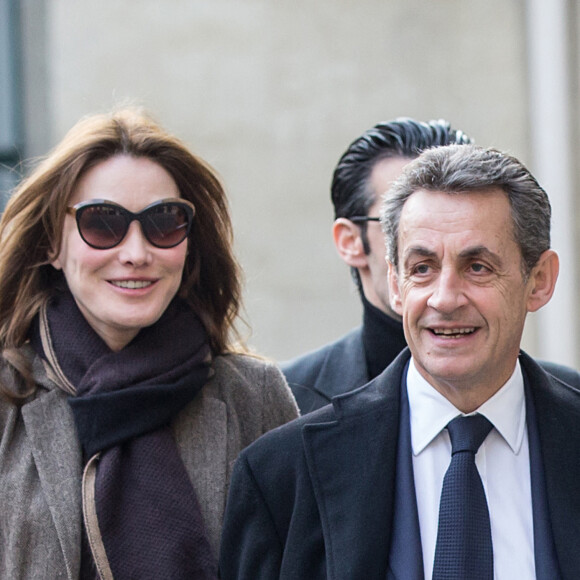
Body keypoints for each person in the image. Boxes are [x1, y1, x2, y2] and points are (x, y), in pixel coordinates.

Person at [220, 144, 580, 579]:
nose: (445, 298)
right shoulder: (280, 476)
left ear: (539, 281)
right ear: (395, 283)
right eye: (423, 267)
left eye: (478, 267)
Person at [0, 108, 298, 580]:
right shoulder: (7, 397)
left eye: (163, 222)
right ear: (52, 245)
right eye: (102, 223)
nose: (137, 253)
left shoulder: (252, 397)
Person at [281, 118, 472, 413]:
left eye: (458, 220)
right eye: (400, 222)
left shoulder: (566, 400)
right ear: (350, 241)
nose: (435, 242)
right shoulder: (283, 399)